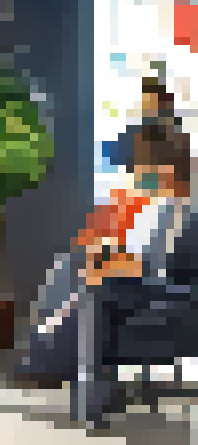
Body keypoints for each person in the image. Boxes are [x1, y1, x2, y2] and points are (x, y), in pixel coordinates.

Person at [16, 121, 195, 389]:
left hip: (164, 297)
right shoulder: (162, 210)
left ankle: (48, 355)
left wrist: (119, 266)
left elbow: (163, 269)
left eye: (143, 168)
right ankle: (46, 347)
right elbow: (148, 259)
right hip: (149, 289)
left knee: (91, 285)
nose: (136, 175)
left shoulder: (180, 215)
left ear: (166, 170)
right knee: (75, 268)